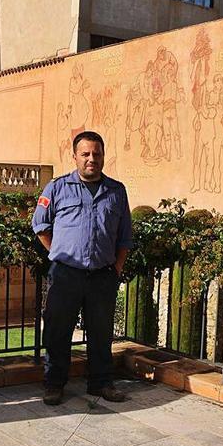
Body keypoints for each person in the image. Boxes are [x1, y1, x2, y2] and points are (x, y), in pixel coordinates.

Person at [32, 130, 133, 406]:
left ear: (103, 156)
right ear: (74, 156)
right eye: (86, 154)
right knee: (58, 331)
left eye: (96, 154)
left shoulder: (116, 191)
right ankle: (54, 384)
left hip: (102, 275)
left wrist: (117, 269)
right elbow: (40, 225)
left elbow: (125, 236)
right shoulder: (57, 187)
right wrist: (57, 251)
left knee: (101, 333)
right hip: (66, 274)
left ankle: (101, 383)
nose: (91, 159)